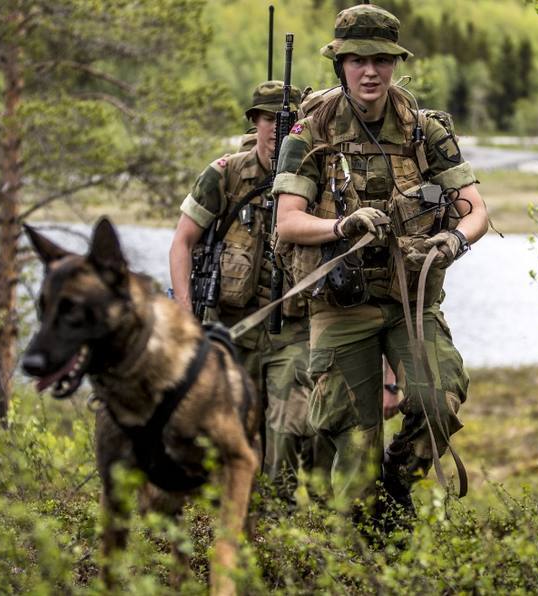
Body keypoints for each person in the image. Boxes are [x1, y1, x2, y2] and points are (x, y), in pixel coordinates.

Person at [272, 4, 488, 521]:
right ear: (340, 64)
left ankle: (398, 482)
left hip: (407, 299)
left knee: (438, 400)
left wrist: (453, 241)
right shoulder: (311, 129)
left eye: (381, 60)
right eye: (357, 60)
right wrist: (342, 227)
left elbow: (476, 210)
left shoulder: (424, 129)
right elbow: (287, 221)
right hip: (341, 303)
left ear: (394, 64)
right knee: (353, 438)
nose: (370, 71)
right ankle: (362, 554)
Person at [169, 81, 332, 504]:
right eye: (267, 119)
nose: (277, 130)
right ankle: (220, 521)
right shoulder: (225, 174)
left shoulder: (318, 176)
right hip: (230, 330)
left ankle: (276, 531)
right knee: (224, 431)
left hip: (293, 330)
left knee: (288, 430)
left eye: (289, 122)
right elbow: (182, 242)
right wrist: (185, 317)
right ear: (255, 121)